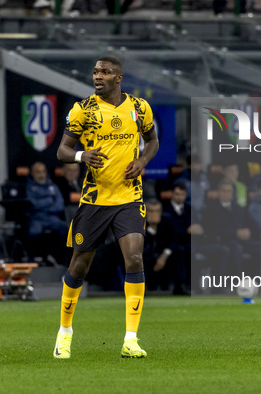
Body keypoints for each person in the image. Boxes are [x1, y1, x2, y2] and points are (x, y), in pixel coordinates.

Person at [53, 56, 159, 359]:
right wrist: (81, 156)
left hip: (128, 197)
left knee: (135, 258)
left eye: (105, 72)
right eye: (96, 71)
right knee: (79, 266)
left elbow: (152, 141)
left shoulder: (139, 107)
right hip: (95, 200)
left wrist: (142, 160)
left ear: (119, 78)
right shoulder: (83, 109)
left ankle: (130, 339)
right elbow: (62, 150)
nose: (98, 76)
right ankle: (65, 332)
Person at [202, 179, 256, 278]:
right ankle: (237, 282)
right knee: (236, 248)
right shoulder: (210, 209)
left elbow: (247, 224)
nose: (227, 194)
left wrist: (247, 231)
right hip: (222, 240)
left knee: (260, 247)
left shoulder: (238, 208)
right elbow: (212, 229)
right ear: (218, 192)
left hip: (241, 240)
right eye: (224, 191)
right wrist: (236, 233)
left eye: (229, 191)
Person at [26, 161, 68, 264]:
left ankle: (58, 258)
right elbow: (33, 204)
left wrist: (44, 207)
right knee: (34, 231)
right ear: (32, 173)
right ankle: (36, 257)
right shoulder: (29, 187)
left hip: (52, 217)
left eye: (43, 171)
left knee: (65, 227)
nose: (41, 175)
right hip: (37, 217)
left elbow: (59, 205)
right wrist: (49, 200)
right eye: (38, 172)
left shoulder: (53, 186)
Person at [143, 199, 184, 292]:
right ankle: (141, 288)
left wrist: (164, 256)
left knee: (179, 250)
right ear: (145, 212)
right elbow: (141, 244)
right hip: (147, 259)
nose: (154, 214)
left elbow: (173, 240)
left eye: (157, 211)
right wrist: (150, 229)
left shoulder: (167, 220)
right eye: (151, 211)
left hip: (164, 258)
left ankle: (180, 286)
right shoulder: (139, 223)